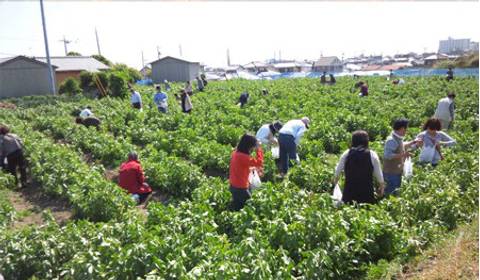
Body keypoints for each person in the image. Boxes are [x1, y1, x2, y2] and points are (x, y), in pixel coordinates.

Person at [333, 130, 385, 204]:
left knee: (349, 210)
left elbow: (337, 172)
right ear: (366, 142)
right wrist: (381, 186)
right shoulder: (372, 154)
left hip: (349, 191)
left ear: (353, 141)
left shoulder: (347, 153)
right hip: (366, 191)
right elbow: (379, 174)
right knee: (365, 212)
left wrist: (335, 183)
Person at [383, 119, 419, 196]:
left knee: (394, 191)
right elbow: (387, 155)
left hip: (396, 171)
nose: (406, 131)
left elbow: (402, 145)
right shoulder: (391, 140)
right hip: (391, 173)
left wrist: (413, 142)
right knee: (391, 193)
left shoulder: (397, 138)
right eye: (406, 129)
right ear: (402, 128)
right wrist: (403, 155)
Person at [229, 134, 263, 211]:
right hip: (240, 188)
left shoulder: (236, 153)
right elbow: (259, 162)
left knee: (238, 205)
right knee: (250, 207)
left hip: (234, 185)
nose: (253, 148)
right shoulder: (244, 156)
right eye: (253, 145)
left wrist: (252, 169)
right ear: (249, 146)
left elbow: (240, 167)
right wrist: (259, 149)